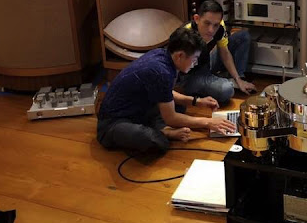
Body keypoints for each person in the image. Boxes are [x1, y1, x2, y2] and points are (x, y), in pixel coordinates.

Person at [97, 27, 237, 152]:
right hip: (113, 122)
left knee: (180, 106)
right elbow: (171, 118)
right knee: (158, 142)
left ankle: (158, 127)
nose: (195, 64)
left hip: (139, 109)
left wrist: (196, 101)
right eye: (194, 59)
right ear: (180, 55)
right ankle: (164, 132)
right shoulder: (161, 71)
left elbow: (165, 92)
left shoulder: (163, 55)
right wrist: (208, 122)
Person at [178, 0, 256, 105]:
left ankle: (238, 80)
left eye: (216, 25)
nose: (211, 30)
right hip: (191, 74)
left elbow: (225, 53)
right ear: (197, 19)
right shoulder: (185, 35)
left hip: (207, 61)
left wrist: (238, 79)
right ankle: (225, 81)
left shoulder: (220, 26)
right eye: (207, 23)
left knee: (243, 36)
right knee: (226, 90)